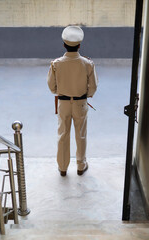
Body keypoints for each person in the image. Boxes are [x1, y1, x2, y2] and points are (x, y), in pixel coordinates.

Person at [47, 25, 98, 177]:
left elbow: (51, 87)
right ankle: (81, 166)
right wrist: (83, 95)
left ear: (64, 44)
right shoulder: (87, 63)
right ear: (79, 45)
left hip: (63, 103)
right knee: (80, 135)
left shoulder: (56, 64)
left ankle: (62, 167)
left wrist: (61, 92)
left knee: (63, 134)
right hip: (80, 103)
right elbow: (93, 87)